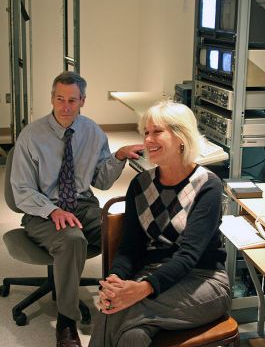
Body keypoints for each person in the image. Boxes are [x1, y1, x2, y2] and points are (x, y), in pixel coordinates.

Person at [10, 71, 144, 347]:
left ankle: (119, 304)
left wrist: (118, 157)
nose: (65, 106)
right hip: (42, 211)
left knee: (124, 229)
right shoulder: (31, 136)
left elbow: (102, 182)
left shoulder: (92, 131)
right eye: (60, 99)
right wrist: (53, 211)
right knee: (72, 240)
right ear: (52, 98)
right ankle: (66, 322)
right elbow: (21, 191)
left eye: (72, 100)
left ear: (82, 100)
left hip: (82, 205)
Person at [89, 101, 231, 347]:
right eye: (146, 132)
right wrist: (115, 280)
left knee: (118, 311)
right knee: (129, 331)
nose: (148, 139)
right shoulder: (140, 184)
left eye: (157, 131)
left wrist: (141, 289)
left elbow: (189, 255)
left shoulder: (207, 185)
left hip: (204, 281)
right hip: (153, 274)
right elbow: (130, 247)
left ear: (181, 137)